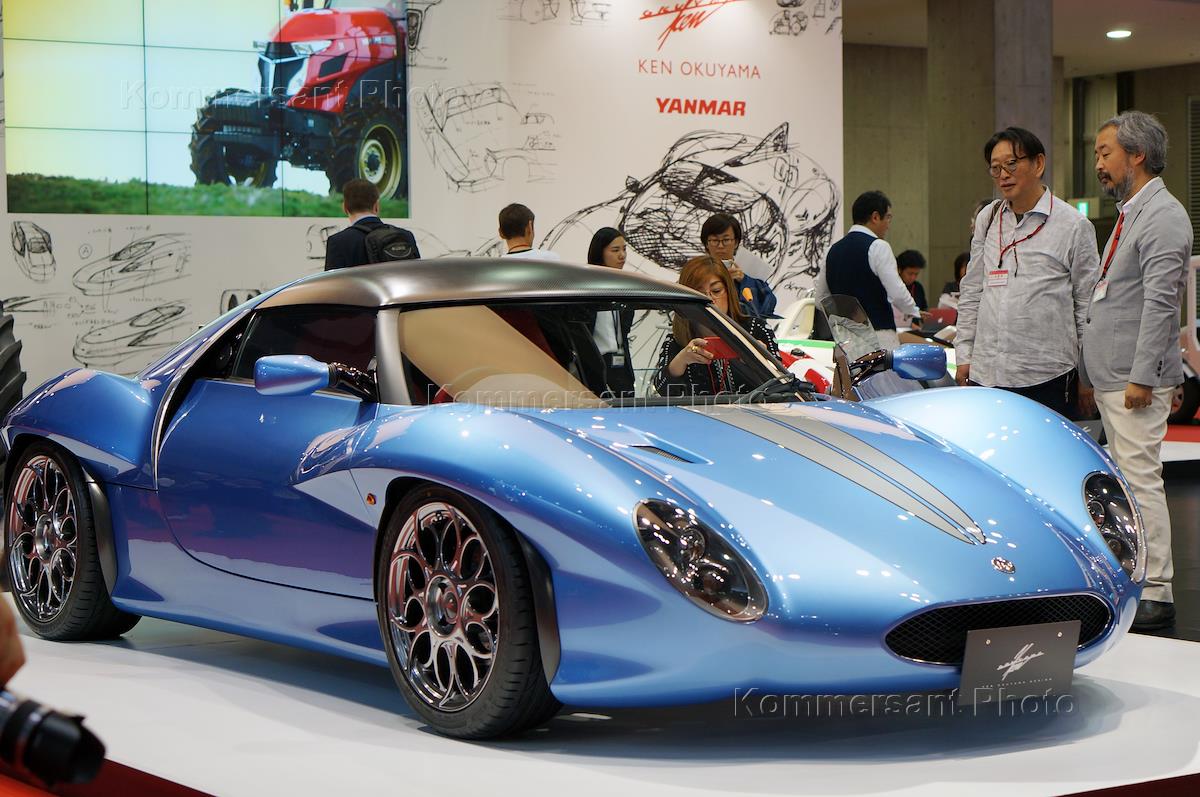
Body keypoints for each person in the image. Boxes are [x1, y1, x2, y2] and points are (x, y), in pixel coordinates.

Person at [1083, 111, 1192, 633]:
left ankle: (1156, 591)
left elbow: (1161, 305)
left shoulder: (1163, 216)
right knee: (1125, 481)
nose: (1098, 163)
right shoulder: (1132, 213)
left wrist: (1143, 377)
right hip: (1115, 373)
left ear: (1137, 155)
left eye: (1105, 153)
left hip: (1134, 377)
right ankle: (1136, 579)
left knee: (1141, 479)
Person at [954, 127, 1099, 417]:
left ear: (1038, 163)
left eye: (1011, 164)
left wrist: (1088, 375)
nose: (1003, 175)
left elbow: (1087, 306)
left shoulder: (1073, 225)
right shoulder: (988, 218)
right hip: (988, 374)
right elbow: (972, 291)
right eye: (995, 168)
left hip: (1048, 377)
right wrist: (964, 355)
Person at [653, 256, 779, 396]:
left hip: (753, 409)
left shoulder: (757, 329)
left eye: (716, 290)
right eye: (699, 293)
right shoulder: (676, 340)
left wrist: (759, 363)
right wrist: (681, 360)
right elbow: (661, 389)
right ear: (686, 297)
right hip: (697, 410)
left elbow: (783, 384)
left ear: (729, 291)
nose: (709, 299)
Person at [816, 190, 921, 350]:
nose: (888, 224)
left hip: (844, 341)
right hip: (879, 338)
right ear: (875, 217)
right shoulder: (879, 246)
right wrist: (913, 310)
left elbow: (820, 299)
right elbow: (898, 292)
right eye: (888, 217)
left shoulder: (832, 250)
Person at [324, 179, 420, 270]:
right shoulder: (406, 236)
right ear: (377, 206)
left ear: (344, 207)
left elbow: (332, 281)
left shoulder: (338, 242)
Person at [586, 227, 635, 397]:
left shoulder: (626, 286)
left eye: (624, 249)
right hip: (593, 363)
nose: (622, 255)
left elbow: (625, 328)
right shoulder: (586, 287)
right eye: (615, 250)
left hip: (621, 364)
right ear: (600, 252)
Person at [700, 213, 778, 319]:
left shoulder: (749, 270)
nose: (720, 246)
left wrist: (744, 280)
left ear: (736, 242)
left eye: (726, 240)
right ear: (706, 243)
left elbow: (768, 306)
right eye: (715, 240)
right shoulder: (696, 272)